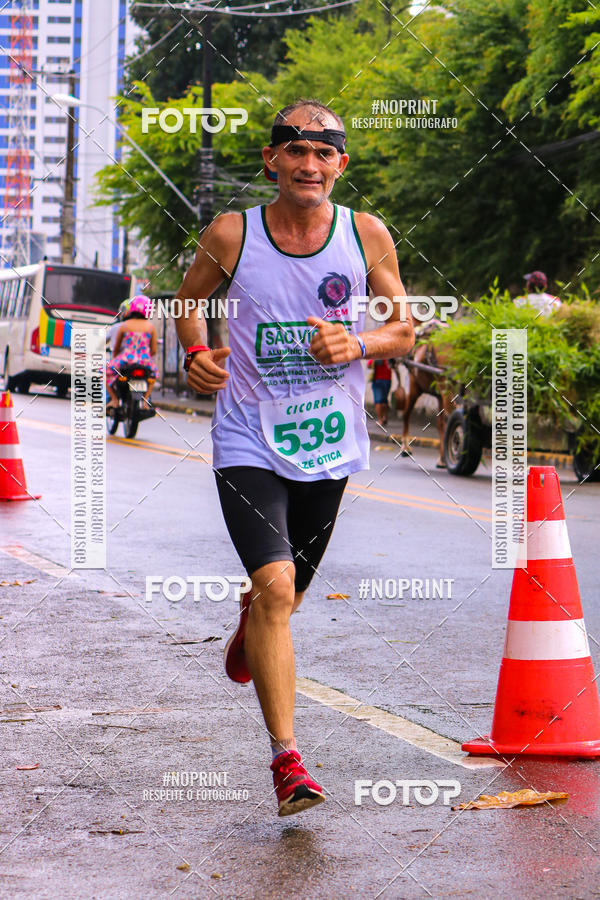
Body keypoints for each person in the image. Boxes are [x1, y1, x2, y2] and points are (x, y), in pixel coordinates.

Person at [174, 99, 414, 817]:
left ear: (341, 164)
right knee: (278, 588)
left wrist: (358, 342)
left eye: (324, 152)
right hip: (247, 436)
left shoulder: (365, 234)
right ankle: (288, 762)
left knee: (287, 597)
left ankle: (255, 620)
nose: (310, 164)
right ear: (272, 159)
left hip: (328, 442)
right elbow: (187, 302)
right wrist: (196, 353)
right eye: (296, 150)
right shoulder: (233, 232)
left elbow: (404, 328)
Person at [106, 295, 158, 408]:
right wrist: (147, 357)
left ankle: (114, 400)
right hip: (144, 360)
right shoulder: (150, 327)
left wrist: (115, 358)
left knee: (105, 373)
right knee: (153, 376)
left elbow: (116, 348)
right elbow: (154, 350)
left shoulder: (124, 326)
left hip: (126, 359)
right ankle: (145, 401)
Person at [368, 357, 393, 426]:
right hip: (388, 380)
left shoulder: (376, 355)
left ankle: (380, 420)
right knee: (384, 400)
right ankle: (384, 417)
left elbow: (369, 365)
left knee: (378, 401)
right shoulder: (389, 356)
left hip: (377, 379)